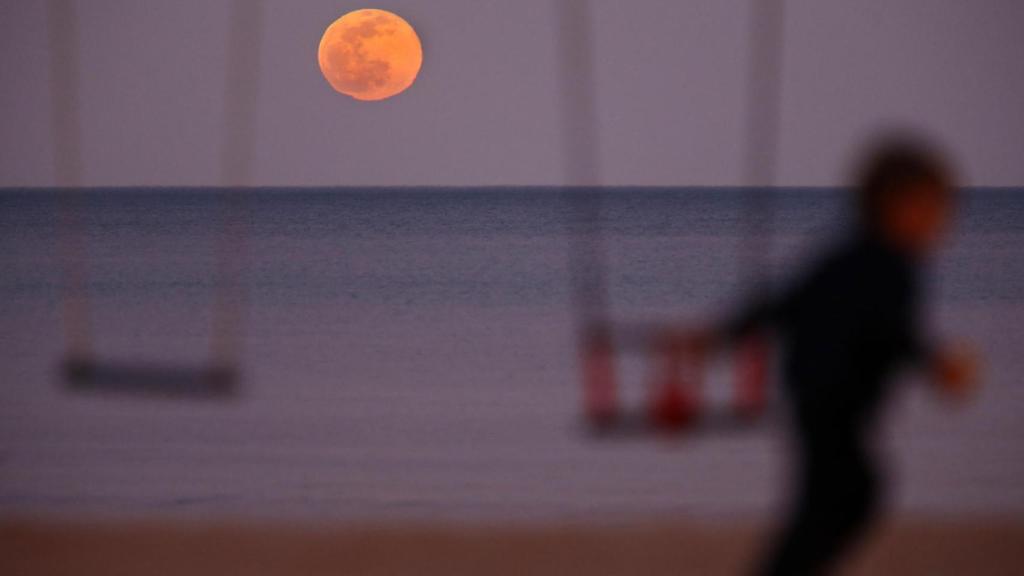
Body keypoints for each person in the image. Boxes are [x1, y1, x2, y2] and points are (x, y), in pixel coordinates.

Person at [683, 136, 978, 575]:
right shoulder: (891, 267)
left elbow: (780, 303)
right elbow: (893, 332)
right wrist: (936, 365)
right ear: (901, 205)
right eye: (937, 208)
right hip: (835, 401)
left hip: (813, 398)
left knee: (827, 503)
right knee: (851, 493)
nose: (943, 223)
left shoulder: (841, 257)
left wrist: (721, 335)